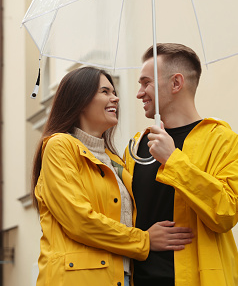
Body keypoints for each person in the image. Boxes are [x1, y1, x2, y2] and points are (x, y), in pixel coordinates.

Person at [31, 66, 194, 286]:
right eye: (105, 92)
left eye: (114, 92)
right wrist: (144, 240)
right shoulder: (60, 146)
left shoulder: (116, 160)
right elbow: (79, 221)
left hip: (120, 277)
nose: (115, 98)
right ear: (80, 99)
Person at [124, 43, 238, 286]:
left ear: (176, 83)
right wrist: (144, 239)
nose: (139, 93)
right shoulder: (137, 147)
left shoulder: (222, 140)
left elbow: (226, 213)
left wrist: (173, 160)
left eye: (146, 82)